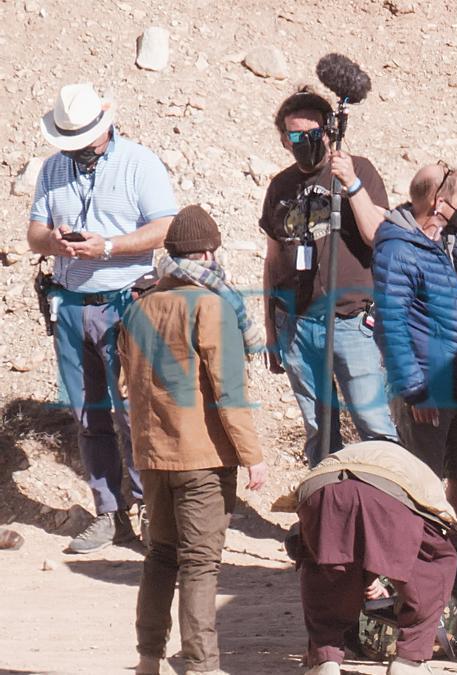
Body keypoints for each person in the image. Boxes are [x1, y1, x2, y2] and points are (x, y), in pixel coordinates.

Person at [26, 82, 178, 553]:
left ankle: (152, 509)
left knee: (135, 411)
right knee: (87, 412)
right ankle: (110, 513)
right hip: (70, 303)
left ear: (106, 126)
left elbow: (166, 226)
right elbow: (33, 232)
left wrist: (106, 246)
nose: (79, 151)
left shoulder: (139, 163)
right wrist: (57, 243)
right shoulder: (54, 169)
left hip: (126, 302)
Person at [118, 205, 268, 675]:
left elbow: (127, 385)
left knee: (160, 557)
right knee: (201, 565)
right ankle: (203, 666)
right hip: (202, 459)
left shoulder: (139, 306)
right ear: (207, 252)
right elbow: (229, 392)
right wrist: (253, 456)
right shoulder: (211, 306)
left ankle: (148, 659)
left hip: (153, 457)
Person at [336, 158, 457, 541]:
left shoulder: (453, 241)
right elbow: (390, 326)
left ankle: (445, 557)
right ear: (437, 201)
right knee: (420, 484)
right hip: (427, 389)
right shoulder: (398, 248)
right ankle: (411, 568)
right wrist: (414, 390)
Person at [259, 86, 397, 468]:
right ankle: (326, 516)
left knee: (374, 424)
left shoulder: (358, 171)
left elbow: (376, 236)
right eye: (296, 136)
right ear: (285, 140)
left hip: (351, 321)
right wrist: (272, 332)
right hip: (298, 325)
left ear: (329, 131)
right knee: (319, 432)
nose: (305, 143)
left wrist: (351, 183)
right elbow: (272, 261)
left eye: (313, 134)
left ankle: (391, 514)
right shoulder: (280, 187)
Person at [292, 440, 457, 675]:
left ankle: (325, 660)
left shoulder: (361, 454)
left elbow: (353, 536)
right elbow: (437, 536)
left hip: (319, 487)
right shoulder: (426, 483)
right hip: (387, 493)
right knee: (439, 560)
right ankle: (410, 661)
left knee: (324, 565)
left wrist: (369, 578)